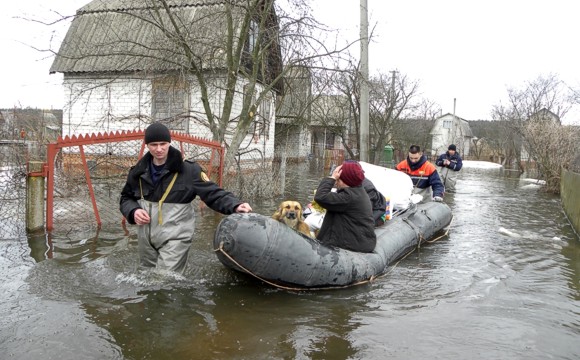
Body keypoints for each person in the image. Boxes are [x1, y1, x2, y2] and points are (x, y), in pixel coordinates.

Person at [119, 122, 252, 273]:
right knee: (145, 276)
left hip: (176, 237)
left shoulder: (189, 170)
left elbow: (212, 193)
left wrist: (235, 205)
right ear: (147, 145)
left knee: (164, 279)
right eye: (153, 144)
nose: (159, 149)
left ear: (169, 142)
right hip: (146, 240)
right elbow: (125, 198)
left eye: (163, 144)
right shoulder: (138, 171)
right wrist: (134, 211)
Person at [314, 160, 376, 253]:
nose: (336, 183)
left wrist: (332, 178)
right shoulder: (358, 191)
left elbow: (320, 197)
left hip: (354, 245)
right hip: (362, 241)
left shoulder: (348, 197)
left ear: (346, 180)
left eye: (338, 180)